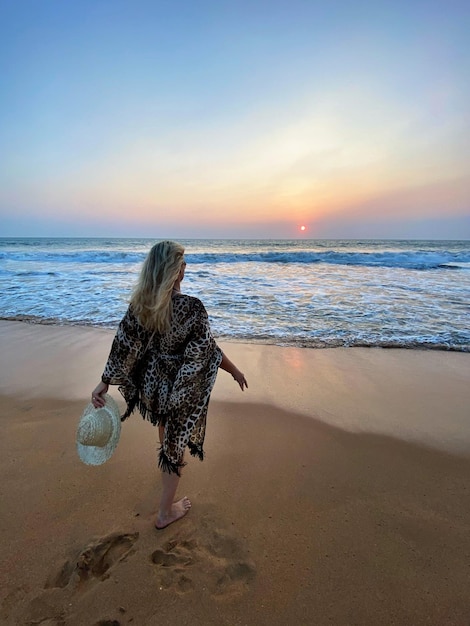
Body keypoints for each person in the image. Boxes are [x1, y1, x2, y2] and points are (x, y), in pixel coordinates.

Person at [91, 240, 247, 530]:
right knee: (176, 449)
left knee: (166, 436)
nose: (186, 267)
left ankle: (166, 468)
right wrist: (233, 370)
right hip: (179, 387)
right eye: (183, 263)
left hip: (153, 386)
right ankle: (166, 512)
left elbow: (123, 346)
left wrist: (103, 383)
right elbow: (207, 350)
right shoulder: (191, 308)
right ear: (175, 271)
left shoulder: (141, 306)